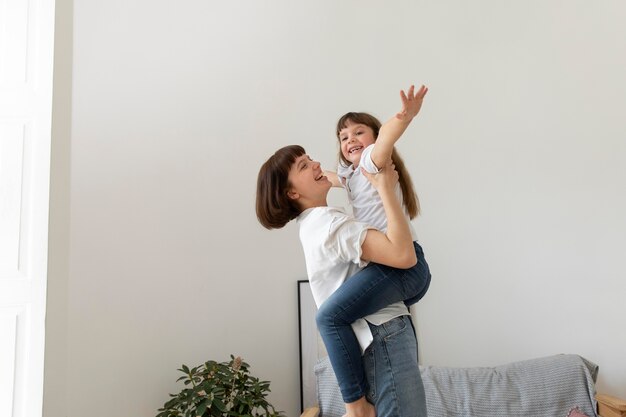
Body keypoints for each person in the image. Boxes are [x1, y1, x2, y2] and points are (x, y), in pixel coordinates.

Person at [256, 138, 429, 416]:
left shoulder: (312, 226)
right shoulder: (330, 225)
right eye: (303, 166)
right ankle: (355, 407)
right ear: (291, 193)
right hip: (384, 333)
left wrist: (353, 178)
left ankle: (355, 406)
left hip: (377, 336)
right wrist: (385, 188)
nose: (315, 163)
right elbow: (404, 256)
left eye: (309, 158)